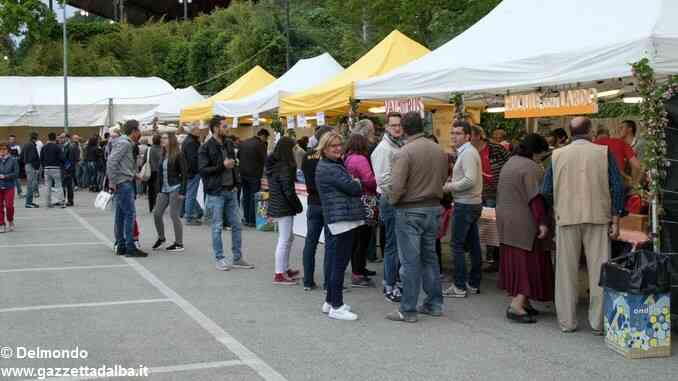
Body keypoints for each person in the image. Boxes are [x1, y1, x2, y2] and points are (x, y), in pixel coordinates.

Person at [542, 116, 624, 334]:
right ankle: (598, 323)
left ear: (570, 132)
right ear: (590, 131)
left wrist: (558, 207)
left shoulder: (556, 155)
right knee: (599, 269)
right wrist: (615, 218)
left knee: (565, 271)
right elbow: (617, 186)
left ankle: (567, 321)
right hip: (597, 216)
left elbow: (546, 190)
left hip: (566, 217)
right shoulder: (603, 153)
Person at [384, 112, 448, 323]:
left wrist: (392, 200)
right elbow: (444, 178)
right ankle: (434, 304)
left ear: (403, 128)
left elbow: (397, 186)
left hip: (410, 210)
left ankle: (408, 309)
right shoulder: (439, 150)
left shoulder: (405, 152)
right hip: (433, 208)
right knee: (429, 258)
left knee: (410, 262)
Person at [496, 134, 554, 324]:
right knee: (528, 264)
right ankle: (517, 304)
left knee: (515, 263)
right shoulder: (531, 167)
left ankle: (525, 302)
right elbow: (536, 199)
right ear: (535, 151)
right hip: (524, 223)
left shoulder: (510, 162)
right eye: (541, 155)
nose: (541, 159)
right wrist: (543, 223)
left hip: (506, 221)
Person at [316, 132, 364, 321]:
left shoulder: (330, 165)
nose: (337, 148)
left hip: (340, 219)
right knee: (339, 264)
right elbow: (353, 188)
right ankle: (337, 305)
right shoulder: (330, 168)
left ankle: (330, 301)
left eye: (339, 144)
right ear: (324, 148)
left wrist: (353, 183)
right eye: (332, 146)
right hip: (341, 220)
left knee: (337, 262)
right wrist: (356, 182)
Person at [199, 116, 253, 271]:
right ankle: (220, 258)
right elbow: (203, 170)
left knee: (237, 225)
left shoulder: (229, 143)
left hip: (231, 190)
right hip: (217, 192)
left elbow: (234, 164)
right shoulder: (206, 147)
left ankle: (237, 258)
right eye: (224, 126)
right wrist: (222, 166)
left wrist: (237, 182)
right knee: (217, 227)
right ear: (216, 128)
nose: (227, 128)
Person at [443, 120, 483, 298]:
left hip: (466, 204)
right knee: (473, 245)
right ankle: (473, 282)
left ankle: (459, 286)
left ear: (467, 136)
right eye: (452, 133)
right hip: (471, 203)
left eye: (458, 133)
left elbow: (469, 180)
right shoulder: (467, 152)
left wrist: (448, 186)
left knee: (457, 245)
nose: (454, 136)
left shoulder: (467, 153)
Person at [371, 112, 404, 303]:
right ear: (386, 127)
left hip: (396, 199)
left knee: (396, 243)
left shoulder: (396, 145)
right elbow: (383, 180)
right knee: (392, 244)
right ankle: (389, 284)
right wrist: (400, 193)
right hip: (390, 199)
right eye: (393, 125)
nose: (397, 128)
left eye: (399, 125)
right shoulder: (384, 149)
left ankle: (393, 281)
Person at [107, 120, 148, 258]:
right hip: (123, 183)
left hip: (123, 181)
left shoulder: (123, 142)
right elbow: (112, 161)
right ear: (134, 131)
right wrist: (113, 181)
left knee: (120, 214)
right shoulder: (124, 143)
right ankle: (130, 246)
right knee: (130, 214)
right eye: (138, 130)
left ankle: (121, 245)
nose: (140, 133)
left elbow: (121, 165)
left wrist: (135, 175)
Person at [266, 136, 303, 285]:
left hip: (278, 204)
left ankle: (284, 269)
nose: (296, 150)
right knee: (284, 239)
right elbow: (288, 191)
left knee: (287, 238)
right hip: (284, 206)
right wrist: (297, 206)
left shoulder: (274, 164)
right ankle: (279, 274)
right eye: (294, 148)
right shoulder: (286, 167)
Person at [301, 126, 333, 291]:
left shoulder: (307, 155)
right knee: (330, 244)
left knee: (310, 241)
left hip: (313, 202)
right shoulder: (329, 155)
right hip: (327, 203)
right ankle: (329, 283)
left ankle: (308, 280)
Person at [344, 134, 378, 288]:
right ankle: (357, 273)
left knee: (357, 237)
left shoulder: (348, 158)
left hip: (355, 200)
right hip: (366, 200)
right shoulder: (361, 159)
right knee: (363, 238)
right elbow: (370, 180)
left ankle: (359, 269)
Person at [152, 133, 188, 253]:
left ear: (171, 140)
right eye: (162, 138)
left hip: (175, 187)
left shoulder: (179, 154)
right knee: (157, 213)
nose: (162, 140)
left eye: (165, 138)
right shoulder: (163, 154)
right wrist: (158, 189)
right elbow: (160, 174)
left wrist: (182, 191)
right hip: (164, 189)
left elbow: (184, 175)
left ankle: (179, 243)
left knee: (174, 215)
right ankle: (161, 238)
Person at [238, 129, 269, 227]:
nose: (266, 140)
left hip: (243, 173)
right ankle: (252, 220)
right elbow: (265, 160)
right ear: (263, 136)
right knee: (253, 196)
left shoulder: (244, 142)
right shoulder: (260, 145)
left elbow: (238, 155)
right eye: (266, 138)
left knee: (246, 196)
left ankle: (246, 218)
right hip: (254, 174)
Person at [182, 125, 203, 225]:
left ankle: (199, 211)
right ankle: (189, 217)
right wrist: (198, 170)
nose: (200, 131)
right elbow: (192, 159)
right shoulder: (191, 142)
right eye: (198, 129)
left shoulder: (188, 140)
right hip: (193, 172)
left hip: (189, 171)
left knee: (190, 193)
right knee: (191, 194)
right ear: (193, 131)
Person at [41, 132, 65, 208]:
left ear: (48, 138)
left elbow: (41, 158)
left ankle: (48, 203)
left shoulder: (44, 147)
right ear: (55, 138)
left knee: (48, 186)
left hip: (46, 169)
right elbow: (62, 158)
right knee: (59, 186)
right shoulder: (57, 147)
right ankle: (61, 202)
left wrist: (44, 165)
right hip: (56, 168)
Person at [0, 142, 18, 233]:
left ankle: (10, 221)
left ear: (8, 150)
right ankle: (1, 224)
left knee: (9, 205)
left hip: (9, 186)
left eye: (4, 149)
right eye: (0, 149)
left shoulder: (13, 160)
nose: (2, 151)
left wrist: (5, 176)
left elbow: (16, 173)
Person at [20, 132, 40, 208]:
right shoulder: (32, 145)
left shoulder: (26, 145)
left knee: (30, 184)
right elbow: (33, 158)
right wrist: (36, 168)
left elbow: (21, 157)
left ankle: (29, 202)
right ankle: (28, 203)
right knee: (30, 185)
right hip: (31, 166)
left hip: (27, 165)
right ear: (35, 138)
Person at [61, 133, 80, 206]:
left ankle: (67, 200)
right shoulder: (72, 146)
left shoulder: (70, 147)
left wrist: (67, 168)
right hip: (69, 168)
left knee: (67, 185)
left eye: (62, 138)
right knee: (67, 185)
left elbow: (68, 159)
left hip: (68, 168)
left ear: (67, 138)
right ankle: (68, 200)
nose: (61, 139)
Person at [147, 134, 162, 213]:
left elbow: (144, 160)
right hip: (158, 172)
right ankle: (156, 205)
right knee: (157, 189)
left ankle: (151, 206)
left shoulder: (149, 149)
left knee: (150, 190)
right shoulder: (161, 149)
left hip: (150, 171)